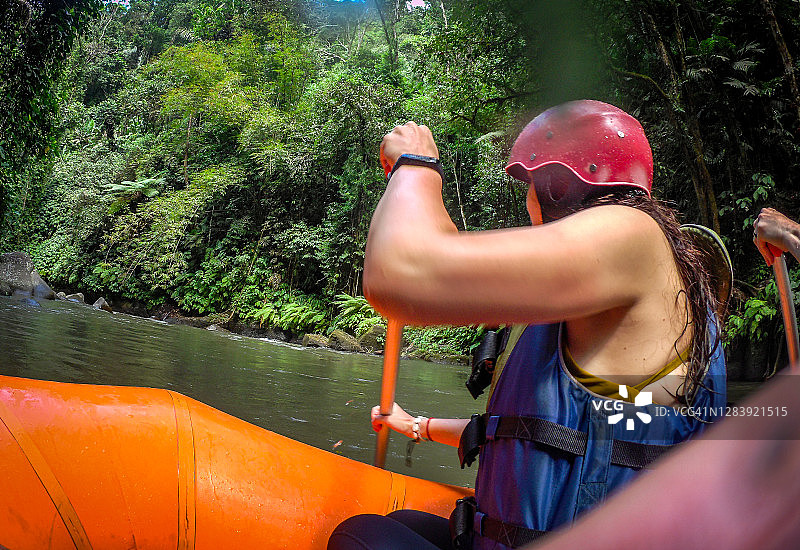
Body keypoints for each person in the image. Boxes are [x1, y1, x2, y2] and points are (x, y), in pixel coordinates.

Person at [328, 100, 728, 550]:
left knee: (361, 535)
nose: (527, 202)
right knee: (402, 521)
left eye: (530, 185)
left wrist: (415, 164)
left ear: (556, 187)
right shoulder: (618, 278)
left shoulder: (631, 235)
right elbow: (534, 432)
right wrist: (418, 425)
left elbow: (400, 276)